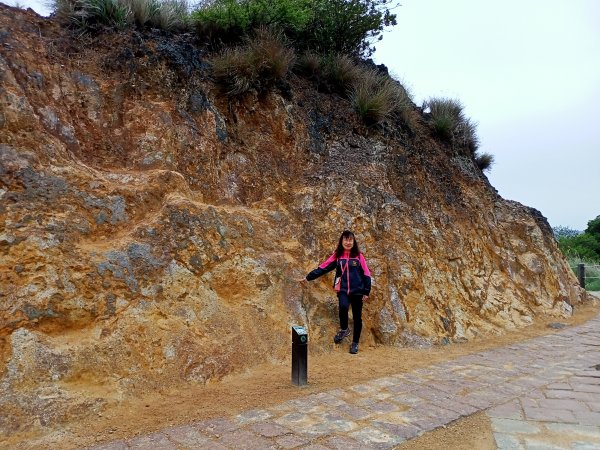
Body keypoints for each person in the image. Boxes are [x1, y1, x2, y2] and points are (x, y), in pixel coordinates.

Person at [298, 230, 371, 354]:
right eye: (345, 240)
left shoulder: (359, 256)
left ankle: (355, 343)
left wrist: (366, 291)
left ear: (354, 242)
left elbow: (366, 274)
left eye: (350, 240)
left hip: (357, 292)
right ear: (341, 241)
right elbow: (324, 267)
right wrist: (308, 277)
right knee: (343, 307)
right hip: (342, 290)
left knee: (357, 317)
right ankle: (344, 329)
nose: (348, 242)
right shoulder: (338, 255)